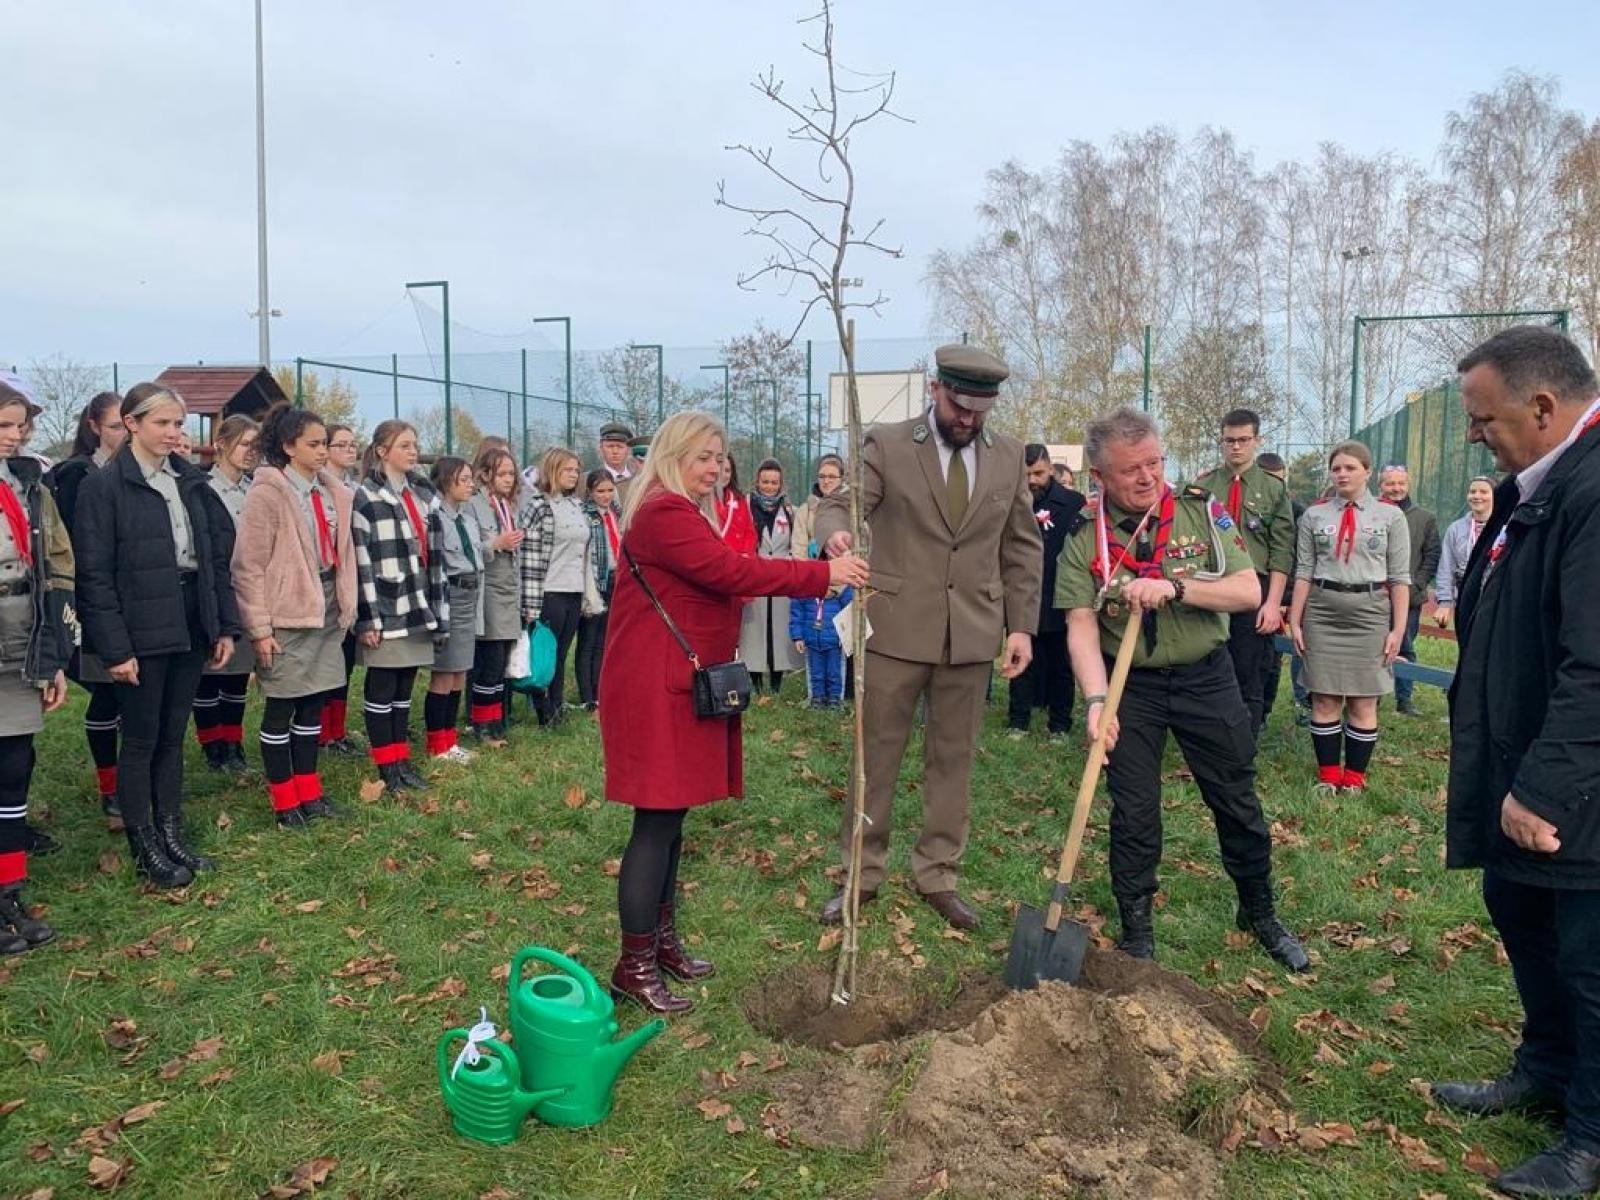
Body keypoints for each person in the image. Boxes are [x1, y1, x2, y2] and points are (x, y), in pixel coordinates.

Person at [598, 411, 867, 1013]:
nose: (716, 468)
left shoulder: (680, 508)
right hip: (654, 686)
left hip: (673, 680)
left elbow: (726, 573)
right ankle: (633, 965)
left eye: (719, 457)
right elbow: (730, 571)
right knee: (655, 824)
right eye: (703, 457)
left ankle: (660, 944)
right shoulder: (664, 511)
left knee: (670, 820)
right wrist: (822, 574)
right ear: (673, 456)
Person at [1431, 326, 1600, 1198]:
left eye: (1482, 417)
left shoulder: (1594, 491)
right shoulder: (1538, 485)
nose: (1473, 434)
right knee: (1519, 907)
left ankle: (1591, 1136)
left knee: (1590, 952)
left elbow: (1595, 664)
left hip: (1576, 786)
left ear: (1541, 406)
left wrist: (1544, 787)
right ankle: (1547, 1065)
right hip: (1522, 763)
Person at [1057, 408, 1308, 971]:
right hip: (1130, 686)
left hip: (1205, 677)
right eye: (1131, 470)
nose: (1148, 477)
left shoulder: (1200, 509)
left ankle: (1259, 911)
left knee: (1236, 799)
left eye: (1155, 462)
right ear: (1099, 477)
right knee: (1134, 812)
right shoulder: (1083, 534)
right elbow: (1080, 624)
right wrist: (1096, 701)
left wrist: (1175, 587)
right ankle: (1137, 929)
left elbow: (1247, 591)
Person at [816, 344, 1042, 931]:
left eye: (980, 411)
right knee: (875, 759)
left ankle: (938, 874)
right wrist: (837, 535)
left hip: (971, 635)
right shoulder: (889, 444)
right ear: (936, 390)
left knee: (954, 761)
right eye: (959, 406)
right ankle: (862, 874)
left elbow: (1021, 546)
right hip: (895, 630)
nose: (967, 420)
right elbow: (840, 505)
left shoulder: (1008, 456)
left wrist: (1021, 626)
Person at [75, 384, 240, 888]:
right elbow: (94, 575)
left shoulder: (189, 480)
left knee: (173, 734)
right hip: (140, 625)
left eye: (178, 424)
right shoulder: (104, 487)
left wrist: (222, 624)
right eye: (162, 423)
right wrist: (115, 648)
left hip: (189, 616)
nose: (173, 433)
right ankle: (143, 841)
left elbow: (214, 557)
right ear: (132, 424)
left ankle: (171, 831)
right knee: (141, 738)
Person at [231, 406, 356, 828]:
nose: (322, 451)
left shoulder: (331, 492)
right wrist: (259, 628)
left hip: (326, 609)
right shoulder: (268, 494)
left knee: (312, 706)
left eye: (325, 444)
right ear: (288, 447)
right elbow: (248, 566)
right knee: (282, 708)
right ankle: (285, 801)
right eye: (313, 444)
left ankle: (310, 792)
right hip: (286, 614)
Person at [1286, 441, 1410, 792]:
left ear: (1368, 472)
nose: (1342, 474)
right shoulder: (1314, 516)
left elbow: (1400, 578)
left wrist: (1397, 630)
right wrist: (1295, 620)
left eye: (1350, 468)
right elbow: (1304, 572)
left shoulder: (1390, 516)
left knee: (1363, 699)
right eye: (1336, 468)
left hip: (1370, 614)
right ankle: (1328, 777)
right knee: (1324, 697)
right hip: (1323, 612)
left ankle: (1354, 779)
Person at [0, 382, 73, 952]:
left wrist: (53, 656)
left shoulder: (26, 483)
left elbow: (51, 565)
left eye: (19, 425)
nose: (15, 436)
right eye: (3, 425)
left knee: (14, 764)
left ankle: (9, 892)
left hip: (21, 634)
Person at [351, 419, 448, 794]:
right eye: (404, 445)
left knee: (405, 687)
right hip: (387, 604)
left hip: (419, 603)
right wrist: (368, 618)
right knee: (383, 687)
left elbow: (433, 555)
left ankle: (401, 760)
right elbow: (362, 560)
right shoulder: (366, 497)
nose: (413, 451)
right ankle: (386, 766)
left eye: (414, 445)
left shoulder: (423, 496)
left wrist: (439, 610)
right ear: (382, 451)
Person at [44, 391, 126, 818]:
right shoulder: (75, 475)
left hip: (134, 599)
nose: (124, 433)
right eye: (115, 426)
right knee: (106, 691)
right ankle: (110, 785)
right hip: (91, 600)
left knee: (132, 692)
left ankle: (135, 778)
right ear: (93, 426)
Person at [1193, 409, 1295, 737]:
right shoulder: (1203, 486)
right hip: (1211, 584)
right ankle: (1209, 736)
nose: (1236, 447)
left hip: (1255, 588)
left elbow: (1281, 551)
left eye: (1243, 440)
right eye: (1229, 440)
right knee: (1205, 664)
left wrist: (1273, 603)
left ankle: (1244, 740)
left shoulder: (1274, 489)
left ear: (1257, 441)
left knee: (1250, 669)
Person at [193, 416, 259, 773]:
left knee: (238, 673)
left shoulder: (254, 489)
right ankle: (212, 745)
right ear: (221, 444)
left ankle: (233, 744)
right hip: (216, 585)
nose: (251, 452)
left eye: (255, 446)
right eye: (244, 444)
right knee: (211, 671)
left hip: (247, 588)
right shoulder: (202, 488)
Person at [1007, 443, 1085, 739]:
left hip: (1061, 593)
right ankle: (1018, 721)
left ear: (1051, 468)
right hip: (1024, 594)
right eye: (1026, 474)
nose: (1032, 480)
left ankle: (1060, 724)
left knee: (1061, 664)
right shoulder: (1014, 500)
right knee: (1021, 659)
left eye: (1038, 473)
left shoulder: (1073, 502)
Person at [519, 447, 594, 726]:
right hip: (549, 589)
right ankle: (544, 710)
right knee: (545, 652)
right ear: (552, 470)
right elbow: (528, 557)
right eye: (567, 470)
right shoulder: (539, 506)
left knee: (562, 652)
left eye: (576, 470)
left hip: (574, 589)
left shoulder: (577, 506)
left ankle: (557, 704)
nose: (574, 475)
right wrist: (530, 603)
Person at [421, 457, 483, 764]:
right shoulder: (435, 518)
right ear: (447, 481)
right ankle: (437, 743)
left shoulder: (467, 519)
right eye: (464, 479)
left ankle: (450, 738)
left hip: (471, 594)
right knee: (444, 673)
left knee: (460, 671)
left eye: (472, 479)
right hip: (450, 595)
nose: (471, 485)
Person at [464, 447, 526, 743]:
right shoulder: (473, 504)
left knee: (501, 662)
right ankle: (481, 722)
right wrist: (496, 543)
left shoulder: (508, 505)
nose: (508, 479)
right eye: (501, 474)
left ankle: (496, 718)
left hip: (508, 590)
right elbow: (468, 545)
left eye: (511, 474)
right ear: (486, 474)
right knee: (489, 661)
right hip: (487, 590)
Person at [1377, 464, 1441, 716]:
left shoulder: (1424, 518)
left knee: (1405, 647)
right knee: (1372, 646)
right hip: (1374, 597)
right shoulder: (1371, 513)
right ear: (1380, 485)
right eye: (1390, 483)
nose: (1396, 488)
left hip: (1409, 598)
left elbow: (1432, 555)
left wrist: (1416, 585)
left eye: (1400, 483)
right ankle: (1372, 696)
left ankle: (1404, 699)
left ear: (1409, 484)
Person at [318, 423, 363, 755]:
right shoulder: (320, 489)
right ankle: (320, 733)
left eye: (353, 444)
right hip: (325, 585)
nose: (349, 450)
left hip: (351, 582)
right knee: (324, 659)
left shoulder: (355, 490)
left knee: (345, 659)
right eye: (341, 444)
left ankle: (337, 730)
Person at [1254, 452, 1309, 724]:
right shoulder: (1248, 506)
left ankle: (1264, 711)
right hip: (1249, 593)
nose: (1275, 486)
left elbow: (1299, 558)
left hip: (1280, 597)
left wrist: (1285, 600)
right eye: (1269, 480)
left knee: (1272, 658)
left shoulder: (1298, 512)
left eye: (1279, 480)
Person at [740, 459, 799, 695]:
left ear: (780, 484)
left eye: (774, 483)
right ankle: (755, 681)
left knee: (779, 629)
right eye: (765, 482)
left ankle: (776, 682)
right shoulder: (746, 507)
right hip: (756, 573)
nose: (769, 487)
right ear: (757, 482)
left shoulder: (789, 510)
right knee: (754, 629)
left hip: (781, 574)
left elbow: (795, 541)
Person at [576, 469, 620, 712]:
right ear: (590, 492)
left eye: (610, 490)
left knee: (604, 640)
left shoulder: (615, 513)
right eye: (600, 491)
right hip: (594, 581)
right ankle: (586, 696)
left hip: (615, 578)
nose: (606, 495)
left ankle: (599, 690)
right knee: (588, 640)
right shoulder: (586, 515)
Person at [1432, 475, 1496, 630]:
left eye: (1483, 492)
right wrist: (1445, 603)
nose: (1477, 496)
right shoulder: (1456, 529)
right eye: (1472, 491)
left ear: (1495, 496)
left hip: (1496, 600)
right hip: (1465, 599)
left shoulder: (1505, 528)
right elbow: (1446, 568)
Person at [790, 579, 853, 707]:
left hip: (834, 641)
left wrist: (845, 635)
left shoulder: (842, 591)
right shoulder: (803, 590)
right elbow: (797, 614)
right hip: (812, 639)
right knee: (816, 672)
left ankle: (834, 698)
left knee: (834, 672)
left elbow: (850, 611)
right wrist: (798, 637)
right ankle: (817, 697)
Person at [791, 453, 845, 561]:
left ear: (841, 479)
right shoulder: (805, 511)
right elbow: (798, 551)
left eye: (832, 477)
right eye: (822, 476)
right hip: (815, 569)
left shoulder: (852, 509)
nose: (826, 481)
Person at [714, 454, 758, 555]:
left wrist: (746, 555)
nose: (723, 475)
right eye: (720, 469)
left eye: (727, 471)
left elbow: (750, 532)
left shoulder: (739, 499)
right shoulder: (701, 500)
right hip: (714, 559)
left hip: (739, 560)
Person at [597, 422, 636, 499]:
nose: (615, 451)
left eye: (620, 446)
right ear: (601, 448)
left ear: (628, 449)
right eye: (610, 446)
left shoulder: (639, 480)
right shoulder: (586, 481)